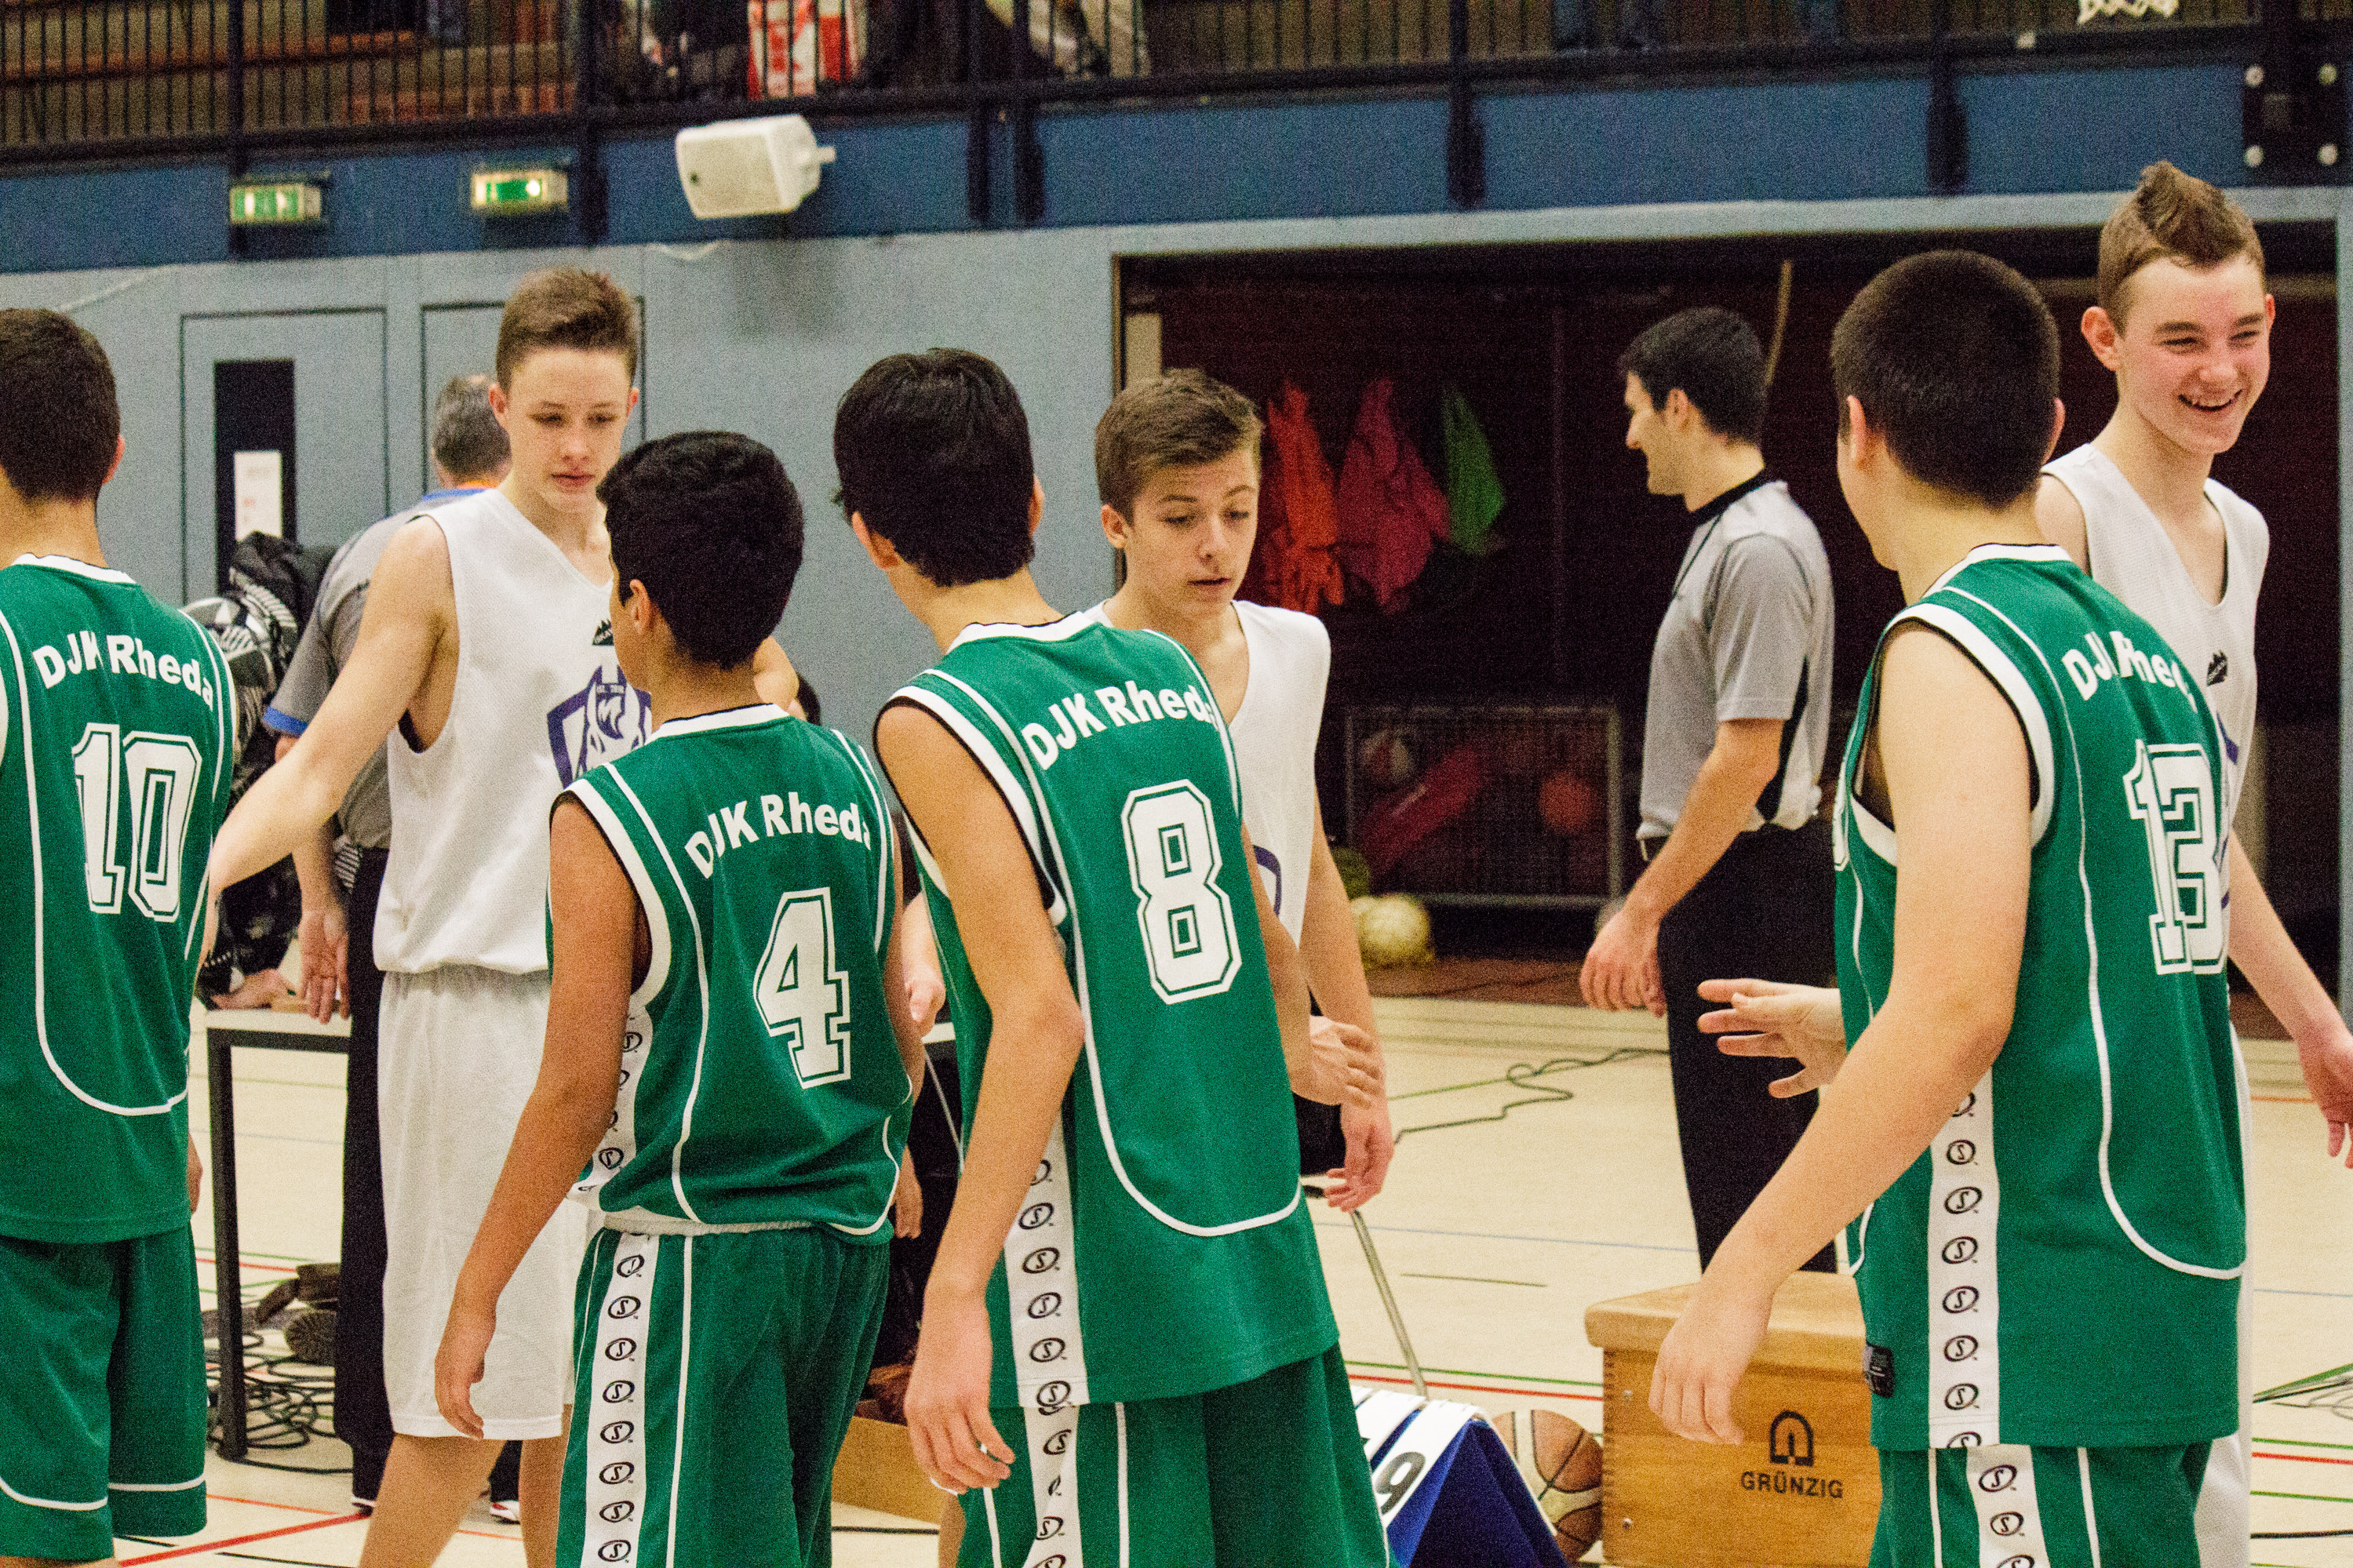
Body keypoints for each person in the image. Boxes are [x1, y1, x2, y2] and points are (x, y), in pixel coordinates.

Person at [1654, 250, 2244, 1561]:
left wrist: (1744, 1266)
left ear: (1854, 431)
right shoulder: (2140, 653)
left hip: (2024, 1313)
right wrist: (1860, 1016)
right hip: (2148, 1302)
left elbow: (1957, 1011)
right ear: (2048, 425)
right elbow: (2084, 970)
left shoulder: (1950, 650)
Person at [206, 268, 796, 1568]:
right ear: (498, 405)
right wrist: (193, 879)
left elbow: (771, 706)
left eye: (599, 417)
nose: (575, 447)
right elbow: (316, 766)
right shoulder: (437, 556)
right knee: (462, 1394)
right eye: (547, 419)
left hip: (629, 1010)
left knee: (583, 1386)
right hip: (472, 1003)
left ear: (633, 401)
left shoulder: (652, 555)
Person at [840, 348, 1386, 1563]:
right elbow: (1264, 924)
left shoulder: (936, 717)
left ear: (871, 539)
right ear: (1040, 502)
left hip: (1098, 1266)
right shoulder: (1167, 671)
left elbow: (1040, 1020)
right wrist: (1310, 1053)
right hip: (1247, 1219)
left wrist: (950, 1291)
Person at [432, 431, 927, 1567]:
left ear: (638, 605)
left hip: (695, 1256)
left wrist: (477, 1289)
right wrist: (888, 1141)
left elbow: (574, 1090)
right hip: (842, 1250)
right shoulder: (856, 775)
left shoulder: (610, 812)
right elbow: (897, 1020)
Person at [2031, 159, 2353, 1568]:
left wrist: (2313, 1020)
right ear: (2103, 339)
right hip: (2064, 1040)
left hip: (2182, 1035)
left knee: (2208, 1419)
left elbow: (2196, 830)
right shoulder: (2058, 519)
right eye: (2179, 338)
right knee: (2093, 1426)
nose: (2218, 370)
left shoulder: (2247, 530)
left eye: (2243, 333)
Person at [0, 308, 237, 1563]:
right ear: (116, 455)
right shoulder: (199, 663)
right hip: (141, 1149)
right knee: (70, 1537)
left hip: (19, 1163)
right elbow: (184, 922)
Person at [260, 369, 512, 1514]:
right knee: (518, 1163)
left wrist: (317, 900)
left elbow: (296, 752)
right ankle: (501, 1444)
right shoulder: (527, 556)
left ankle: (384, 1441)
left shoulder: (364, 554)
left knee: (388, 1168)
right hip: (495, 882)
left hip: (383, 884)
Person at [1087, 367, 1395, 1212]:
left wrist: (1366, 1080)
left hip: (1266, 1056)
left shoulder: (1298, 647)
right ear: (1116, 524)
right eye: (1179, 518)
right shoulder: (1070, 676)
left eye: (1238, 511)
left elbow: (1310, 860)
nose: (1215, 544)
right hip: (1137, 1076)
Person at [1581, 304, 1838, 1273]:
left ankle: (1786, 1365)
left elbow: (1745, 760)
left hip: (1752, 889)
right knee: (1732, 1170)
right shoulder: (1724, 535)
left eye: (1636, 408)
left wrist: (1644, 910)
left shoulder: (1758, 549)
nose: (1629, 433)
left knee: (1759, 1176)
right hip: (1723, 888)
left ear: (1680, 407)